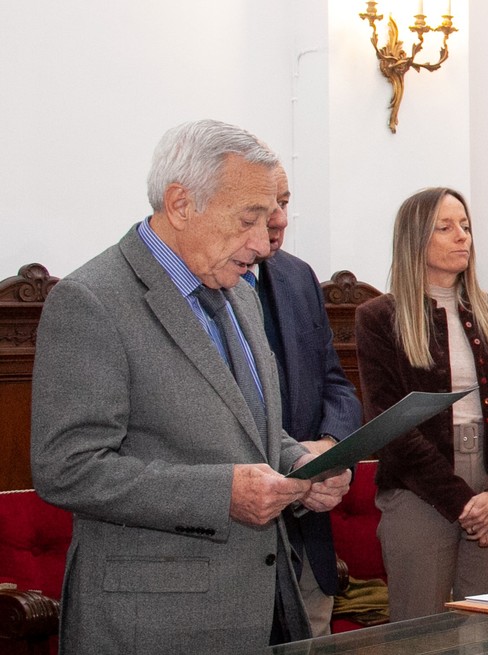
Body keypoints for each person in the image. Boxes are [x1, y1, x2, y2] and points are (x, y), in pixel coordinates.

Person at [29, 119, 351, 652]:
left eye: (269, 218)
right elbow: (67, 468)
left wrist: (299, 464)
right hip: (153, 624)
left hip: (265, 602)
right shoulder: (92, 301)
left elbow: (248, 428)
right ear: (181, 204)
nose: (262, 243)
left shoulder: (238, 291)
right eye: (248, 219)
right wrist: (222, 494)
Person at [354, 187, 488, 619]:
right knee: (420, 631)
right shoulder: (379, 318)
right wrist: (462, 504)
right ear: (416, 238)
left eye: (466, 226)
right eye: (446, 227)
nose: (462, 236)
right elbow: (391, 425)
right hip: (418, 490)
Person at [249, 165, 363, 636]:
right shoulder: (199, 283)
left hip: (309, 535)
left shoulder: (297, 277)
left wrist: (329, 449)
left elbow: (335, 383)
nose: (280, 218)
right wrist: (295, 459)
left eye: (285, 202)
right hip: (242, 540)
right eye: (265, 206)